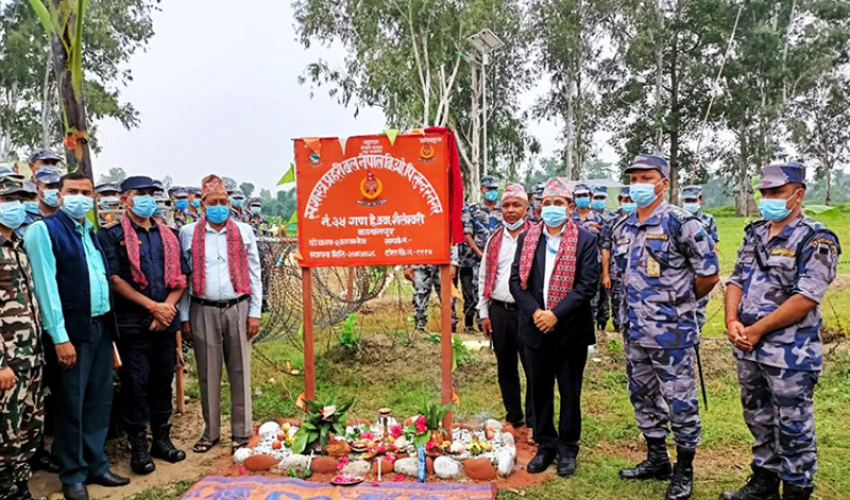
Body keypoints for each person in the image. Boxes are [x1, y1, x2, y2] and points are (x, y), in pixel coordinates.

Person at [722, 162, 839, 500]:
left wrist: (756, 329)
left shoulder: (816, 239)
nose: (767, 198)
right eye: (764, 192)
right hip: (749, 346)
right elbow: (736, 279)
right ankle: (764, 481)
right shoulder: (755, 233)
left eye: (776, 192)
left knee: (793, 424)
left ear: (798, 195)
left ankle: (797, 488)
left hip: (790, 352)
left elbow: (805, 298)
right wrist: (732, 321)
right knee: (757, 415)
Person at [610, 155, 719, 500]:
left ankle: (684, 469)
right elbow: (621, 276)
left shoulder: (681, 223)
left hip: (672, 333)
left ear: (663, 183)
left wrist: (678, 303)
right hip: (635, 331)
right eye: (635, 178)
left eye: (647, 177)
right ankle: (657, 458)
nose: (639, 183)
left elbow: (709, 274)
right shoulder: (624, 226)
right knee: (642, 396)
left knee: (680, 401)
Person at [25, 172, 130, 500]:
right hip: (70, 332)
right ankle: (72, 474)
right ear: (59, 194)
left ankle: (96, 464)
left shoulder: (90, 232)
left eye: (87, 192)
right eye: (73, 191)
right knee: (71, 403)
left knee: (99, 400)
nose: (80, 197)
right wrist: (59, 337)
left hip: (99, 327)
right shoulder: (44, 231)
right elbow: (46, 287)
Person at [98, 176, 189, 476]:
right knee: (135, 384)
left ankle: (161, 439)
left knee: (162, 379)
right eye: (140, 194)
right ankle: (138, 444)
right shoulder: (111, 236)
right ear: (125, 199)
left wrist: (167, 307)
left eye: (152, 194)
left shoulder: (169, 234)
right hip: (133, 324)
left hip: (165, 321)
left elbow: (182, 277)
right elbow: (114, 279)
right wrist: (152, 307)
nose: (147, 199)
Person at [509, 177, 600, 478]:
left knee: (570, 391)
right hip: (535, 328)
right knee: (539, 389)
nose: (550, 208)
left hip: (570, 330)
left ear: (570, 207)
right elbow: (515, 283)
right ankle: (546, 444)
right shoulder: (528, 238)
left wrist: (555, 315)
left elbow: (587, 285)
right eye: (546, 203)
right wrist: (536, 312)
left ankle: (568, 448)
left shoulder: (585, 240)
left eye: (558, 203)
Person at [179, 175, 262, 455]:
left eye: (223, 202)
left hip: (238, 306)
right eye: (213, 202)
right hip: (203, 308)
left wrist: (255, 312)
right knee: (207, 372)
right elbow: (184, 277)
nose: (219, 207)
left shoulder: (243, 231)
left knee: (240, 371)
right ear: (202, 205)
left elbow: (255, 274)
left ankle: (241, 431)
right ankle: (211, 431)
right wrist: (184, 317)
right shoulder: (189, 233)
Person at [0, 174, 44, 500]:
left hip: (32, 356)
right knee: (5, 431)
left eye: (17, 199)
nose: (13, 206)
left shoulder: (17, 245)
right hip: (8, 361)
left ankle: (20, 482)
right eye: (5, 200)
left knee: (30, 423)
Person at [477, 184, 534, 433]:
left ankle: (534, 421)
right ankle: (514, 417)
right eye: (506, 206)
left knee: (534, 368)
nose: (510, 210)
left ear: (527, 208)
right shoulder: (494, 240)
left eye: (516, 205)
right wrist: (484, 313)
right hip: (499, 312)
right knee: (506, 367)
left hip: (529, 313)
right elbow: (483, 278)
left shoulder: (537, 237)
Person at [462, 175, 502, 332]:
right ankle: (481, 322)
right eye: (489, 189)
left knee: (498, 287)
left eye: (494, 189)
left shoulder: (504, 208)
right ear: (482, 189)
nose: (492, 192)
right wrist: (479, 253)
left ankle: (496, 321)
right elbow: (467, 234)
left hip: (500, 258)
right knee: (479, 289)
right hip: (479, 258)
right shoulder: (473, 210)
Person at [681, 185, 719, 329]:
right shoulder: (678, 219)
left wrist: (712, 265)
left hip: (701, 268)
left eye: (692, 200)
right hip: (683, 268)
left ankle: (697, 334)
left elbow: (714, 243)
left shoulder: (707, 219)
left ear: (700, 199)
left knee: (700, 307)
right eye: (686, 200)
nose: (689, 203)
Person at [601, 187, 635, 332]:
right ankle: (618, 328)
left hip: (638, 272)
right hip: (617, 271)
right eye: (625, 200)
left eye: (631, 200)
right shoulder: (613, 221)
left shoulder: (645, 219)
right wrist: (606, 274)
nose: (628, 203)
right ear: (620, 201)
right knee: (616, 300)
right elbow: (605, 248)